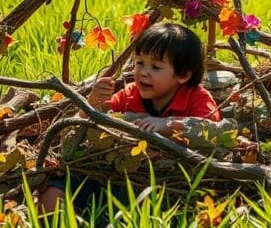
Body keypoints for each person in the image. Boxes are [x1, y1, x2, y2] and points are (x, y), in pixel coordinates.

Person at [39, 22, 221, 214]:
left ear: (183, 75)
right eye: (139, 63)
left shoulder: (196, 97)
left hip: (166, 184)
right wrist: (92, 102)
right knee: (50, 198)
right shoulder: (131, 94)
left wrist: (168, 124)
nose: (143, 72)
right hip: (115, 176)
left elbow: (213, 129)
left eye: (156, 67)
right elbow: (77, 126)